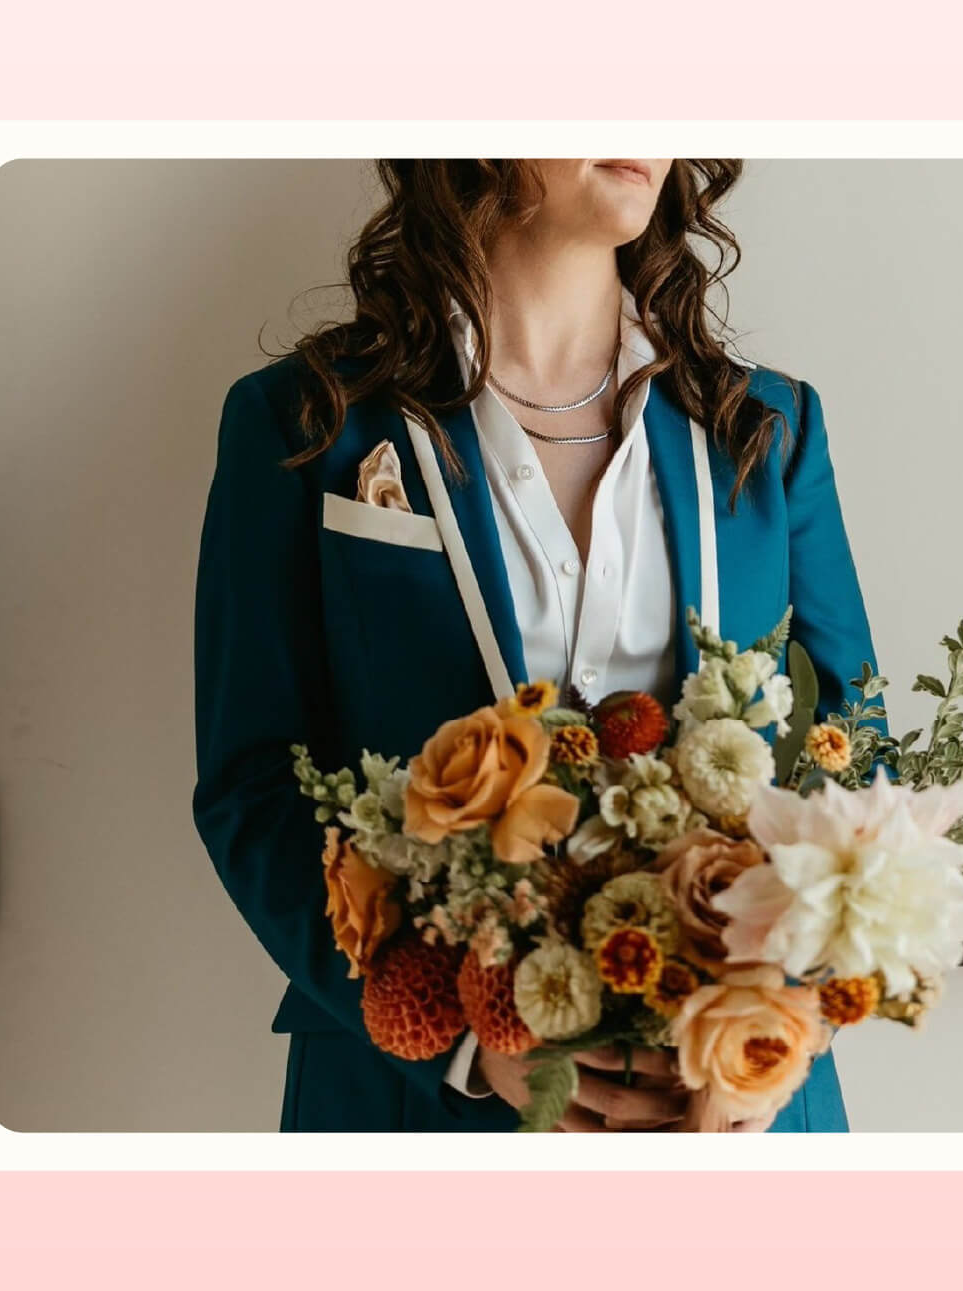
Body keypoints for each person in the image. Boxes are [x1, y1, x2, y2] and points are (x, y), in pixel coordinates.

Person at [191, 159, 888, 1132]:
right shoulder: (307, 425)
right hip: (415, 1111)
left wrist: (785, 1023)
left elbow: (855, 761)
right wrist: (469, 1040)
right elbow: (254, 785)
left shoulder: (764, 431)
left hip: (735, 1119)